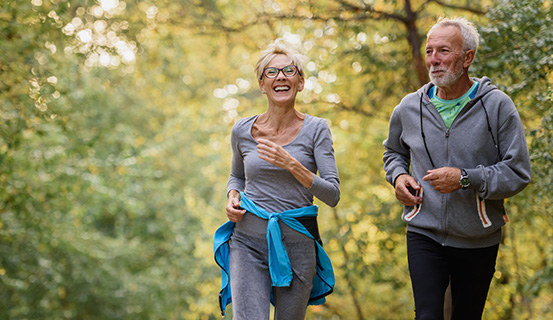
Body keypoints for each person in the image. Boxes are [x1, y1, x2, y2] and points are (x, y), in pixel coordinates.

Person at [383, 17, 531, 319]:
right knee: (427, 315)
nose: (433, 60)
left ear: (468, 58)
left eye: (443, 51)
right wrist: (398, 176)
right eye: (429, 51)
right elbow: (393, 152)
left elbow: (518, 172)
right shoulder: (409, 107)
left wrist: (466, 178)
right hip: (423, 231)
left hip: (478, 236)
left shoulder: (497, 106)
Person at [214, 38, 340, 320]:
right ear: (262, 84)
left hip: (298, 247)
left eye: (289, 71)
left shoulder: (317, 130)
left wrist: (292, 164)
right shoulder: (242, 130)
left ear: (301, 82)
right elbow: (236, 176)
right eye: (271, 72)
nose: (280, 77)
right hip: (247, 242)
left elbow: (332, 194)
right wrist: (232, 196)